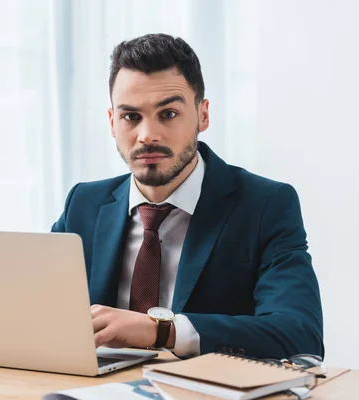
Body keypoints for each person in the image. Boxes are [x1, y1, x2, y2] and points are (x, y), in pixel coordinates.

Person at [51, 33, 324, 359]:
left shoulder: (266, 204)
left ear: (202, 115)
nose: (147, 135)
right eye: (131, 116)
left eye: (168, 114)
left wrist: (162, 331)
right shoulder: (84, 203)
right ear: (112, 123)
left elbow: (299, 333)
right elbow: (35, 308)